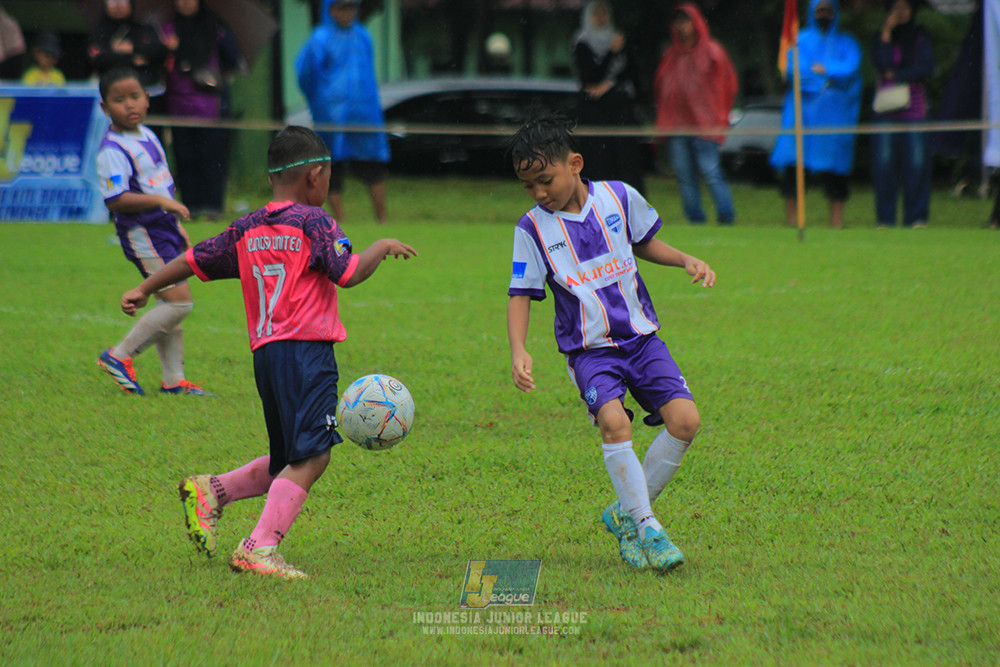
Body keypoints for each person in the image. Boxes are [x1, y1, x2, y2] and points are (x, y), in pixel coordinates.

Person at [119, 126, 417, 579]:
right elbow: (348, 272)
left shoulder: (247, 226)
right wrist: (380, 245)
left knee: (287, 460)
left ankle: (211, 491)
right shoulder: (316, 223)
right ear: (316, 176)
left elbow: (193, 259)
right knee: (314, 457)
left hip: (268, 355)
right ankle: (258, 548)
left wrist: (144, 287)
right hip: (307, 354)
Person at [505, 115, 716, 573]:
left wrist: (685, 259)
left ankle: (624, 514)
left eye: (545, 180)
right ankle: (648, 528)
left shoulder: (619, 196)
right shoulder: (532, 229)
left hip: (641, 340)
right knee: (614, 424)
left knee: (685, 421)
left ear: (575, 164)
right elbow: (521, 292)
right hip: (589, 353)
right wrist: (518, 348)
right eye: (529, 186)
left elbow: (643, 242)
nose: (540, 193)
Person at [95, 66, 207, 397]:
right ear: (104, 108)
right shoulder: (112, 150)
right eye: (118, 100)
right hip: (144, 233)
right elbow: (115, 199)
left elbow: (159, 182)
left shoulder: (147, 134)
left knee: (169, 305)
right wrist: (161, 202)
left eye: (135, 96)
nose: (129, 105)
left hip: (163, 229)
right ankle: (118, 355)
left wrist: (175, 224)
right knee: (179, 304)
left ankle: (173, 381)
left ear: (147, 98)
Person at [296, 0, 390, 224]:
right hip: (331, 115)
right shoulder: (320, 39)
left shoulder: (363, 35)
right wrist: (322, 102)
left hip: (364, 113)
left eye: (351, 7)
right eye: (341, 8)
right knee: (332, 167)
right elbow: (307, 75)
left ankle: (382, 219)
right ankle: (340, 221)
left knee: (373, 165)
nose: (347, 13)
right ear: (330, 10)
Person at [770, 0, 862, 229]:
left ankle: (836, 221)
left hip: (834, 117)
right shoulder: (798, 39)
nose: (824, 15)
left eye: (828, 11)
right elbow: (793, 70)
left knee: (835, 170)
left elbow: (850, 69)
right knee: (794, 165)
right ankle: (792, 219)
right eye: (820, 11)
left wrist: (828, 69)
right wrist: (827, 79)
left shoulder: (847, 43)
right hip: (802, 115)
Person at [653, 4, 738, 225]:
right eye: (677, 22)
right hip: (677, 127)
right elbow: (662, 90)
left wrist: (719, 117)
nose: (681, 27)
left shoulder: (712, 52)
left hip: (706, 126)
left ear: (696, 23)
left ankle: (726, 217)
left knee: (711, 172)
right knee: (684, 176)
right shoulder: (670, 55)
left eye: (686, 21)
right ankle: (695, 219)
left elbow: (728, 85)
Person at [161, 0, 243, 219]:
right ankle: (190, 207)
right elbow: (158, 63)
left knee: (212, 157)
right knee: (185, 157)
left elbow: (232, 58)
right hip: (178, 104)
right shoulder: (169, 29)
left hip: (210, 106)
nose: (186, 3)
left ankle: (213, 206)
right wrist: (167, 50)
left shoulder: (216, 27)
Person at [870, 0, 935, 228]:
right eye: (895, 8)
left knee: (917, 163)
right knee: (884, 163)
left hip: (914, 109)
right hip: (886, 110)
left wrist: (897, 75)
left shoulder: (920, 36)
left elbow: (927, 67)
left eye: (904, 8)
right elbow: (881, 62)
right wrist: (887, 32)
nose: (900, 12)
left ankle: (916, 217)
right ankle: (885, 219)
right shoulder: (880, 36)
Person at [572, 0, 646, 195]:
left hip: (618, 112)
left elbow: (630, 74)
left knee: (624, 161)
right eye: (596, 14)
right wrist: (611, 54)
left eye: (604, 13)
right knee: (597, 160)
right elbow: (590, 76)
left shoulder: (619, 39)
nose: (601, 18)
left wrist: (609, 85)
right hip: (594, 113)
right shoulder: (582, 42)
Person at [87, 0, 166, 98]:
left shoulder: (144, 29)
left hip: (147, 89)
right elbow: (98, 60)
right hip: (111, 90)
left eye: (123, 2)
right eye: (113, 3)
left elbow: (159, 52)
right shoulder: (99, 33)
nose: (118, 7)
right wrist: (134, 59)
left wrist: (132, 49)